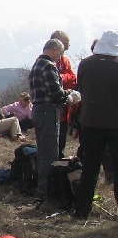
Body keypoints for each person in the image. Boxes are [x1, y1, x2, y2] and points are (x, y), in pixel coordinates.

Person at [72, 31, 118, 219]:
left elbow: (81, 90)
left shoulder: (85, 64)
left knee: (89, 169)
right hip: (115, 124)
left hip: (90, 122)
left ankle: (81, 210)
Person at [29, 38, 75, 194]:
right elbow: (56, 93)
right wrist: (70, 97)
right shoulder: (48, 66)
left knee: (42, 150)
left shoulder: (36, 64)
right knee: (50, 152)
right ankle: (46, 189)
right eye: (60, 53)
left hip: (37, 110)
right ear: (54, 50)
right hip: (48, 111)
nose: (60, 57)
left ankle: (41, 183)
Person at [51, 30, 79, 157]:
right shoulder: (47, 61)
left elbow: (73, 78)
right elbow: (54, 80)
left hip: (65, 105)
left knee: (63, 133)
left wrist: (62, 78)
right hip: (52, 107)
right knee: (51, 139)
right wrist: (63, 78)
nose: (68, 46)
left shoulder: (65, 60)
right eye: (65, 43)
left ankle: (60, 157)